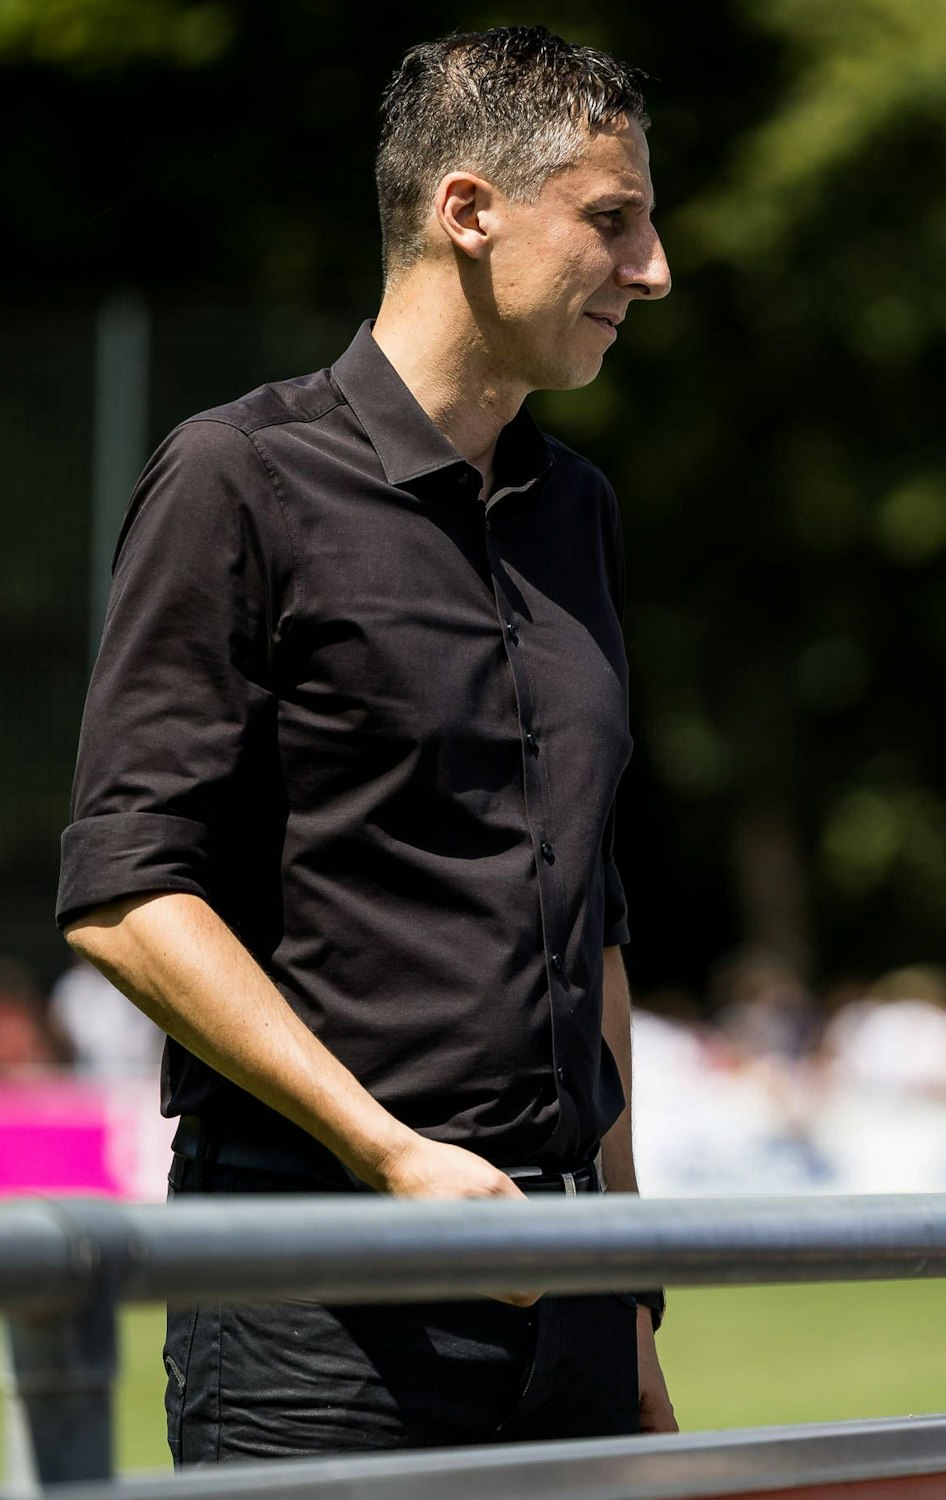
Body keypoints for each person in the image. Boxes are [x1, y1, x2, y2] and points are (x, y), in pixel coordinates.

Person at [58, 26, 674, 1461]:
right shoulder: (239, 478)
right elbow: (125, 896)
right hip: (315, 1292)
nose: (654, 270)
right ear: (469, 212)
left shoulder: (576, 509)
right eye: (613, 219)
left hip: (571, 1289)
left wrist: (631, 1284)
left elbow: (594, 931)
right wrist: (390, 1152)